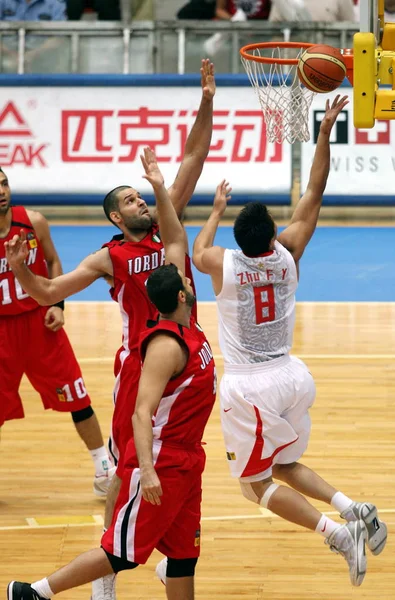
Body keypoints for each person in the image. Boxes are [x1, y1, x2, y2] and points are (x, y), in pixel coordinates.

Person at [5, 59, 215, 599]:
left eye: (142, 195)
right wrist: (24, 269)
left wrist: (207, 101)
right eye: (130, 200)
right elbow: (50, 293)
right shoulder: (111, 256)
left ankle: (154, 555)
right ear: (116, 220)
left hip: (184, 357)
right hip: (141, 364)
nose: (141, 200)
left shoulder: (170, 234)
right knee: (124, 467)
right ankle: (106, 572)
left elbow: (193, 158)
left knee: (175, 457)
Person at [192, 95, 387, 587]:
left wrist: (214, 210)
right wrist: (323, 136)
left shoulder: (225, 265)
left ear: (238, 241)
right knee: (284, 463)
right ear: (274, 234)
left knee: (252, 486)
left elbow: (197, 251)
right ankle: (353, 507)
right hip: (292, 376)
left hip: (250, 387)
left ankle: (337, 533)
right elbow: (315, 192)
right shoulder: (289, 253)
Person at [0, 169, 114, 497]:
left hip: (38, 324)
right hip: (2, 332)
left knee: (77, 396)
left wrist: (58, 305)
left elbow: (52, 261)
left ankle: (103, 469)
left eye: (5, 183)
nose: (2, 191)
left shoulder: (33, 221)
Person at [268, 0, 356, 23]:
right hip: (293, 62)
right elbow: (273, 32)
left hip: (328, 61)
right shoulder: (284, 2)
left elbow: (350, 31)